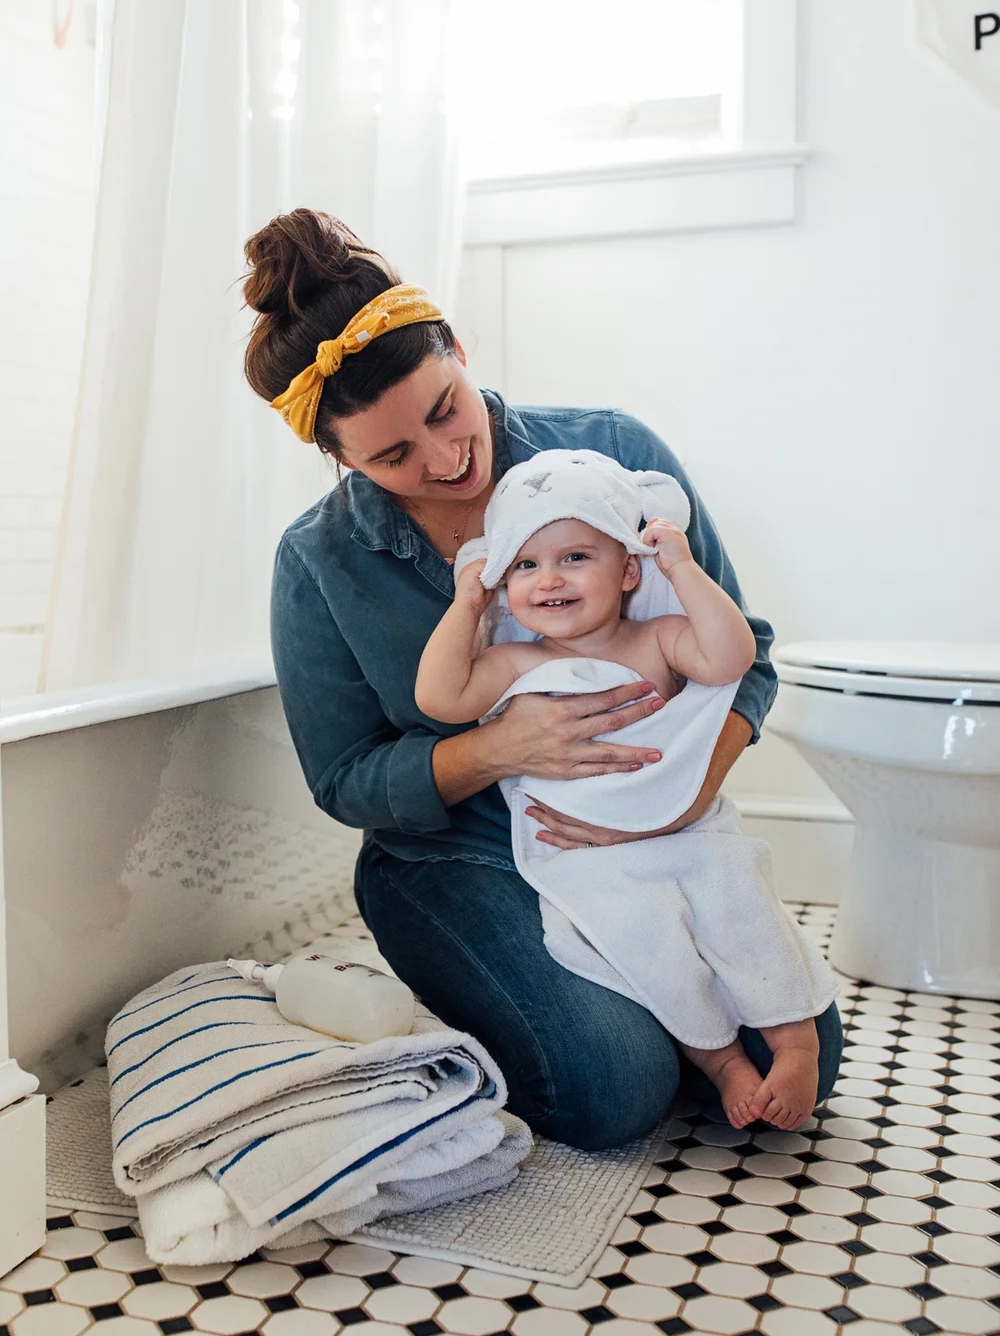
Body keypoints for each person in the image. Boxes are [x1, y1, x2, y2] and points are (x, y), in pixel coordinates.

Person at [243, 208, 843, 1149]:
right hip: (457, 855)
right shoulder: (320, 563)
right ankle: (495, 1011)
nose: (446, 460)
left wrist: (678, 803)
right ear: (341, 459)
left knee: (798, 1053)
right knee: (616, 1086)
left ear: (461, 351)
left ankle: (622, 1011)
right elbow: (345, 779)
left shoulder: (614, 452)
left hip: (653, 829)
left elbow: (746, 656)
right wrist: (499, 748)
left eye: (446, 407)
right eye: (394, 456)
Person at [414, 452, 826, 1130]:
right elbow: (441, 696)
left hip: (687, 831)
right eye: (524, 565)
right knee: (642, 941)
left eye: (575, 556)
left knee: (741, 907)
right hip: (589, 855)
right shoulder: (516, 661)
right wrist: (467, 605)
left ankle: (795, 1042)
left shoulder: (659, 640)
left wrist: (684, 571)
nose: (548, 579)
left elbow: (731, 657)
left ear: (629, 569)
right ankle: (722, 1062)